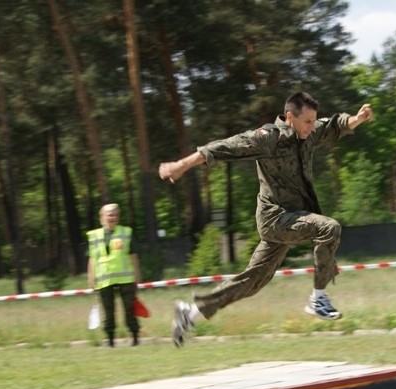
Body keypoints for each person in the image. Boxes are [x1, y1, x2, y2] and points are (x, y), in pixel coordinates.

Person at [159, 91, 374, 348]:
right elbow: (223, 147)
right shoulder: (267, 138)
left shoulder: (309, 131)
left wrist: (357, 119)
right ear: (290, 117)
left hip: (293, 218)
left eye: (313, 121)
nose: (311, 126)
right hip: (275, 219)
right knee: (329, 228)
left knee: (252, 282)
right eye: (307, 121)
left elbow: (335, 125)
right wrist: (181, 165)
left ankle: (190, 313)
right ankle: (318, 298)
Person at [87, 203, 142, 347]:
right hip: (104, 280)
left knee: (129, 309)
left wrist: (137, 275)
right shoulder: (94, 236)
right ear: (102, 217)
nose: (113, 217)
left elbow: (133, 255)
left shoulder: (126, 232)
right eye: (110, 214)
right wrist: (91, 278)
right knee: (108, 311)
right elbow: (92, 259)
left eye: (116, 214)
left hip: (126, 279)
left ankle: (135, 337)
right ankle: (110, 340)